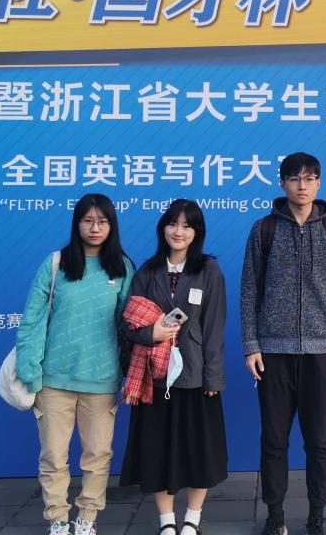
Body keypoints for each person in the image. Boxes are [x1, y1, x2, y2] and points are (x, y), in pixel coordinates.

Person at [240, 152, 326, 535]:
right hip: (273, 352)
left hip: (321, 353)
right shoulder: (263, 229)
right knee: (274, 441)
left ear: (319, 183)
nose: (301, 186)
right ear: (282, 183)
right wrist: (251, 344)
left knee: (319, 443)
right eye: (294, 178)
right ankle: (275, 518)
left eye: (309, 179)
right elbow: (249, 289)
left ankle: (316, 518)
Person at [16, 194, 134, 535]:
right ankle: (57, 520)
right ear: (77, 223)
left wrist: (131, 376)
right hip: (53, 380)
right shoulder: (56, 263)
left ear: (112, 226)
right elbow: (32, 320)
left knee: (98, 455)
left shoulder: (122, 268)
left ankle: (86, 520)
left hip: (101, 380)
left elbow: (128, 328)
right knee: (54, 456)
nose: (95, 228)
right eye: (88, 221)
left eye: (103, 221)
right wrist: (30, 373)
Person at [120, 199, 228, 535]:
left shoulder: (208, 270)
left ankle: (192, 518)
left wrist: (213, 375)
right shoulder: (147, 271)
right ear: (163, 228)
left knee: (199, 450)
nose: (178, 231)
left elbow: (214, 327)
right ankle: (166, 521)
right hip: (155, 376)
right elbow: (127, 325)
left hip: (195, 375)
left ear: (197, 232)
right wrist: (151, 334)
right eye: (172, 224)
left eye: (186, 225)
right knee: (158, 449)